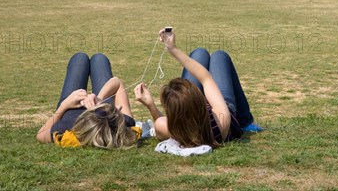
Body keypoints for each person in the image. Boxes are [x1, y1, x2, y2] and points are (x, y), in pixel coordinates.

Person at [135, 28, 263, 148]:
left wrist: (150, 105)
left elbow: (161, 123)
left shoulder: (167, 128)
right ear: (200, 101)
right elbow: (206, 79)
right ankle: (245, 121)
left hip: (192, 114)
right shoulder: (221, 120)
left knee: (199, 53)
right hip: (223, 108)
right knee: (219, 56)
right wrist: (173, 49)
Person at [36, 52, 141, 148]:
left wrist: (64, 105)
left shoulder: (68, 125)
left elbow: (40, 135)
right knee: (99, 58)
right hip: (95, 108)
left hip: (72, 104)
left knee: (79, 58)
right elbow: (117, 82)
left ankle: (81, 59)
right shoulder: (123, 124)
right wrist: (98, 98)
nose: (118, 107)